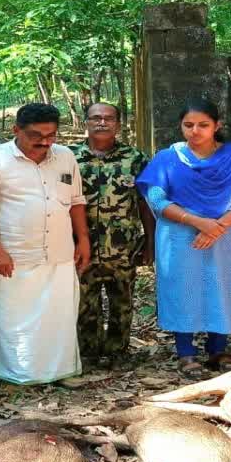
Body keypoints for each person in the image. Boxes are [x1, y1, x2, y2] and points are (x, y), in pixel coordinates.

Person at [137, 99, 231, 379]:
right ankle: (186, 353)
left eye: (203, 125)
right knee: (183, 288)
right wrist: (198, 222)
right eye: (188, 125)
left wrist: (217, 228)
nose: (194, 131)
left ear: (217, 125)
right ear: (180, 126)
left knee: (223, 285)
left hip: (229, 234)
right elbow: (157, 199)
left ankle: (218, 349)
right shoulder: (167, 157)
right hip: (179, 233)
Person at [0, 103, 90, 384]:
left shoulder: (65, 156)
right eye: (36, 135)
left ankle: (59, 371)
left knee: (58, 315)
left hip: (59, 251)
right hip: (13, 254)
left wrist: (82, 239)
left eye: (51, 135)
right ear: (16, 131)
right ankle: (13, 373)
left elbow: (75, 201)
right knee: (13, 317)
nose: (45, 142)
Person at [71, 102, 154, 365]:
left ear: (119, 124)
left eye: (109, 118)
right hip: (80, 246)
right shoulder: (68, 158)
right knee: (84, 303)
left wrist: (150, 242)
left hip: (122, 247)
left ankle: (117, 352)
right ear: (86, 122)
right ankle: (88, 354)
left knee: (122, 302)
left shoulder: (135, 159)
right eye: (96, 118)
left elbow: (145, 203)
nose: (102, 123)